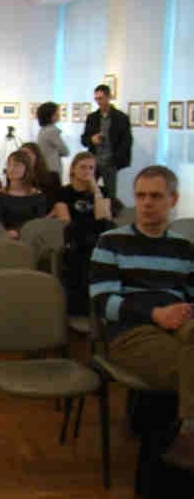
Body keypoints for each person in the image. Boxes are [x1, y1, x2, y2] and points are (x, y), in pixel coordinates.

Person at [90, 166, 194, 470]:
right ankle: (187, 435)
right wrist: (155, 314)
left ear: (173, 199)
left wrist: (184, 311)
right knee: (186, 362)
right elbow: (102, 302)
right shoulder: (110, 242)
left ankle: (187, 434)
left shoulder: (184, 248)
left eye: (156, 196)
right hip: (132, 330)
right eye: (141, 196)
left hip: (180, 322)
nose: (146, 203)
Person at [54, 152, 113, 314]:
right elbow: (65, 221)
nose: (87, 171)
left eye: (91, 168)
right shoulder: (63, 192)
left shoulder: (102, 191)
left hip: (97, 239)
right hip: (75, 238)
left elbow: (104, 218)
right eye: (83, 167)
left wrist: (96, 191)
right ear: (73, 169)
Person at [81, 83, 133, 201]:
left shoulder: (121, 117)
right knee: (88, 192)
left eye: (101, 98)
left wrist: (116, 159)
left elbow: (127, 141)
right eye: (96, 99)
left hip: (110, 162)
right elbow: (84, 139)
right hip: (93, 161)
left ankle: (109, 211)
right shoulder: (92, 117)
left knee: (110, 195)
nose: (98, 102)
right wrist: (91, 139)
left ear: (108, 97)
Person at [0, 149, 47, 238]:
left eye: (17, 165)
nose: (11, 168)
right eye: (9, 164)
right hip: (4, 239)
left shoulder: (37, 196)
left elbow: (39, 223)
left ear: (26, 168)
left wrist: (18, 232)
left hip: (30, 238)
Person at [21, 141, 62, 211]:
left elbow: (58, 204)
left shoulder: (52, 177)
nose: (23, 157)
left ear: (37, 156)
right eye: (20, 155)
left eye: (26, 154)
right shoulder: (18, 179)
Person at [36, 101, 69, 175]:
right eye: (56, 113)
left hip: (45, 166)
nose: (59, 115)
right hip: (52, 168)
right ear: (50, 115)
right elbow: (65, 151)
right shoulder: (52, 131)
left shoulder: (43, 130)